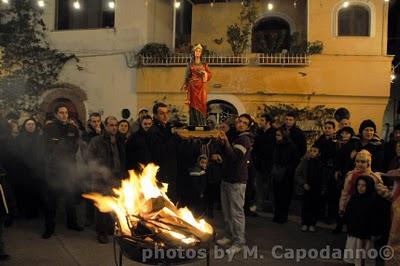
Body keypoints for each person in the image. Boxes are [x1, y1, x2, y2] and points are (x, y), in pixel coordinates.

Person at [41, 103, 83, 239]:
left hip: (69, 168)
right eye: (61, 112)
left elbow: (75, 146)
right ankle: (49, 228)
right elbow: (45, 148)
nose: (64, 115)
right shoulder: (49, 128)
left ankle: (72, 223)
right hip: (53, 170)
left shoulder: (72, 128)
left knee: (70, 198)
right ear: (56, 114)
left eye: (66, 113)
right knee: (51, 200)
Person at [216, 114, 254, 256]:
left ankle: (239, 242)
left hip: (237, 181)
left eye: (244, 123)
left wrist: (225, 141)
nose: (241, 124)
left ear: (248, 126)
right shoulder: (237, 137)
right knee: (227, 212)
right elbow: (227, 154)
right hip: (227, 179)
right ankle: (229, 235)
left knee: (236, 213)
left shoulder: (245, 139)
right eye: (239, 121)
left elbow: (233, 157)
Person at [87, 116, 126, 244]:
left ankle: (110, 228)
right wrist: (100, 172)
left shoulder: (120, 140)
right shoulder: (96, 141)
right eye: (111, 125)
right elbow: (90, 159)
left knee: (114, 204)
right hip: (101, 179)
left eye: (116, 125)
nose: (114, 127)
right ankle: (101, 232)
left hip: (117, 177)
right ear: (106, 126)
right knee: (102, 206)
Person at [343, 175, 381, 266]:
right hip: (354, 232)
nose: (360, 187)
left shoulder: (373, 200)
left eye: (363, 185)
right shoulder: (354, 198)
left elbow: (375, 218)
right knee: (352, 256)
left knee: (362, 258)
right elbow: (348, 213)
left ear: (369, 186)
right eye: (358, 184)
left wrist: (374, 233)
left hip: (365, 235)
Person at [148, 103, 181, 201]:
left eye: (167, 113)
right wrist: (176, 137)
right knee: (163, 202)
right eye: (162, 113)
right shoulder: (153, 131)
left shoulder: (167, 128)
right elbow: (161, 152)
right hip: (162, 173)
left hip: (171, 171)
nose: (165, 116)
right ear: (155, 115)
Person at [271, 127, 300, 224]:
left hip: (286, 175)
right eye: (276, 135)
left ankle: (283, 216)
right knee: (277, 194)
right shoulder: (277, 145)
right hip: (277, 173)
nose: (276, 137)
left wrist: (287, 169)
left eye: (279, 135)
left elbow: (294, 160)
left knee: (285, 196)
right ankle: (277, 215)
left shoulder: (291, 146)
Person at [14, 118, 42, 218]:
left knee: (35, 191)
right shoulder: (19, 138)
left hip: (37, 170)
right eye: (28, 124)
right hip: (24, 170)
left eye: (32, 124)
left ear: (35, 126)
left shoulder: (40, 138)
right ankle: (24, 212)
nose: (31, 126)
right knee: (24, 191)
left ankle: (35, 212)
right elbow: (16, 154)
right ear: (25, 126)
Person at [295, 145, 323, 232]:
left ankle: (312, 224)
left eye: (314, 151)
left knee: (314, 206)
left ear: (318, 153)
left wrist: (322, 187)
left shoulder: (320, 163)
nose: (312, 153)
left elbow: (322, 176)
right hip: (306, 187)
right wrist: (303, 183)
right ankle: (304, 223)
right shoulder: (305, 161)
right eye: (311, 151)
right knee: (305, 206)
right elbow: (297, 174)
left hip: (316, 188)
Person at [182, 44, 212, 126]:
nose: (198, 53)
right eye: (196, 51)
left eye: (199, 51)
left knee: (201, 104)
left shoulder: (204, 64)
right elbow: (187, 76)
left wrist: (204, 73)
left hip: (201, 86)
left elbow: (210, 74)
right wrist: (185, 84)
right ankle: (194, 123)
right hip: (192, 87)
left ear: (201, 53)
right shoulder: (190, 64)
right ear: (194, 52)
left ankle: (202, 123)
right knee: (193, 105)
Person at [251, 113, 276, 211]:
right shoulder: (259, 132)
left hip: (270, 164)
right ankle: (258, 204)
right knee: (258, 186)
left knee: (271, 186)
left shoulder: (274, 133)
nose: (260, 122)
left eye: (262, 120)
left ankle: (273, 206)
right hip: (259, 163)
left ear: (268, 122)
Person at [314, 121, 337, 223]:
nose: (327, 130)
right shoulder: (319, 140)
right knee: (320, 193)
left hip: (330, 171)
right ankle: (320, 214)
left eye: (329, 128)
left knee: (330, 194)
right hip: (320, 169)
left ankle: (329, 216)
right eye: (326, 128)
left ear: (333, 130)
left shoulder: (336, 142)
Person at [0, 165, 15, 261]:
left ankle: (1, 254)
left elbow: (8, 197)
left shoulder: (2, 180)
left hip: (0, 212)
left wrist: (10, 212)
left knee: (0, 233)